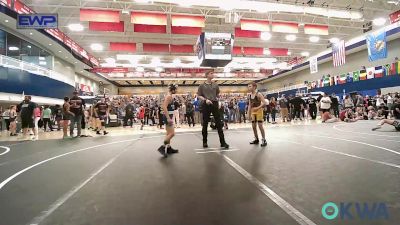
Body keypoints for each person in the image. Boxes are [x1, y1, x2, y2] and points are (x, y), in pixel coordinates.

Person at [197, 71, 229, 149]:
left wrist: (220, 101)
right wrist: (205, 100)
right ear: (207, 75)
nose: (213, 74)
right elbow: (198, 95)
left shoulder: (215, 85)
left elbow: (217, 95)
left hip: (214, 103)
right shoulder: (201, 85)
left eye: (213, 73)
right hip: (206, 104)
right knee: (205, 124)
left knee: (219, 123)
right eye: (211, 73)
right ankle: (205, 142)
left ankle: (223, 142)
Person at [157, 84, 179, 157]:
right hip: (168, 117)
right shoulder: (169, 96)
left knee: (168, 133)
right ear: (173, 90)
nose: (177, 90)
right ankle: (163, 147)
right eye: (176, 89)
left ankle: (169, 148)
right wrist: (168, 118)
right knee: (172, 134)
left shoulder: (170, 96)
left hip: (169, 116)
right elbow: (164, 107)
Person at [247, 82, 268, 147]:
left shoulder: (259, 94)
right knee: (253, 126)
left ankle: (264, 140)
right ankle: (256, 139)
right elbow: (250, 105)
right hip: (253, 112)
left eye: (250, 86)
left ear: (254, 87)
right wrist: (248, 114)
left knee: (260, 126)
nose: (249, 88)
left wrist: (257, 108)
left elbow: (264, 103)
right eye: (248, 86)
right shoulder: (250, 95)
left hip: (259, 111)